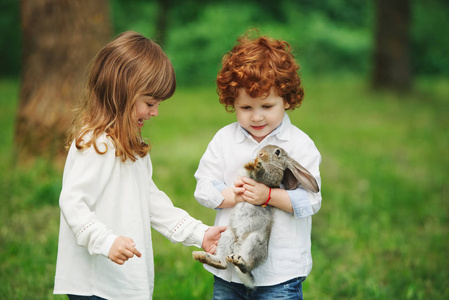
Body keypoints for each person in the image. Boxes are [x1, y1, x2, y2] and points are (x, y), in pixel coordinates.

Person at [53, 31, 226, 300]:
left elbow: (151, 201)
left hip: (121, 279)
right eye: (150, 103)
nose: (155, 112)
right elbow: (73, 202)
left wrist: (198, 233)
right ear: (122, 93)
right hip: (94, 283)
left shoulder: (131, 145)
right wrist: (106, 241)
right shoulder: (96, 144)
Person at [194, 32, 322, 299]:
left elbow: (311, 200)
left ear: (287, 99)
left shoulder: (299, 144)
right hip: (228, 274)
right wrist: (232, 195)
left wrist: (269, 196)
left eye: (267, 105)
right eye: (246, 107)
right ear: (233, 103)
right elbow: (203, 187)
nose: (257, 116)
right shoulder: (224, 140)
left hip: (281, 275)